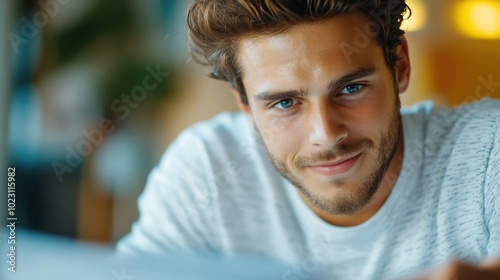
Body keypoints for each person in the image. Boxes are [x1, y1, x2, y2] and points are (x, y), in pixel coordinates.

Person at [118, 1, 500, 279]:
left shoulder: (487, 152)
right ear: (245, 104)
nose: (326, 135)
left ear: (399, 65)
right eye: (285, 102)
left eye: (351, 88)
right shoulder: (207, 168)